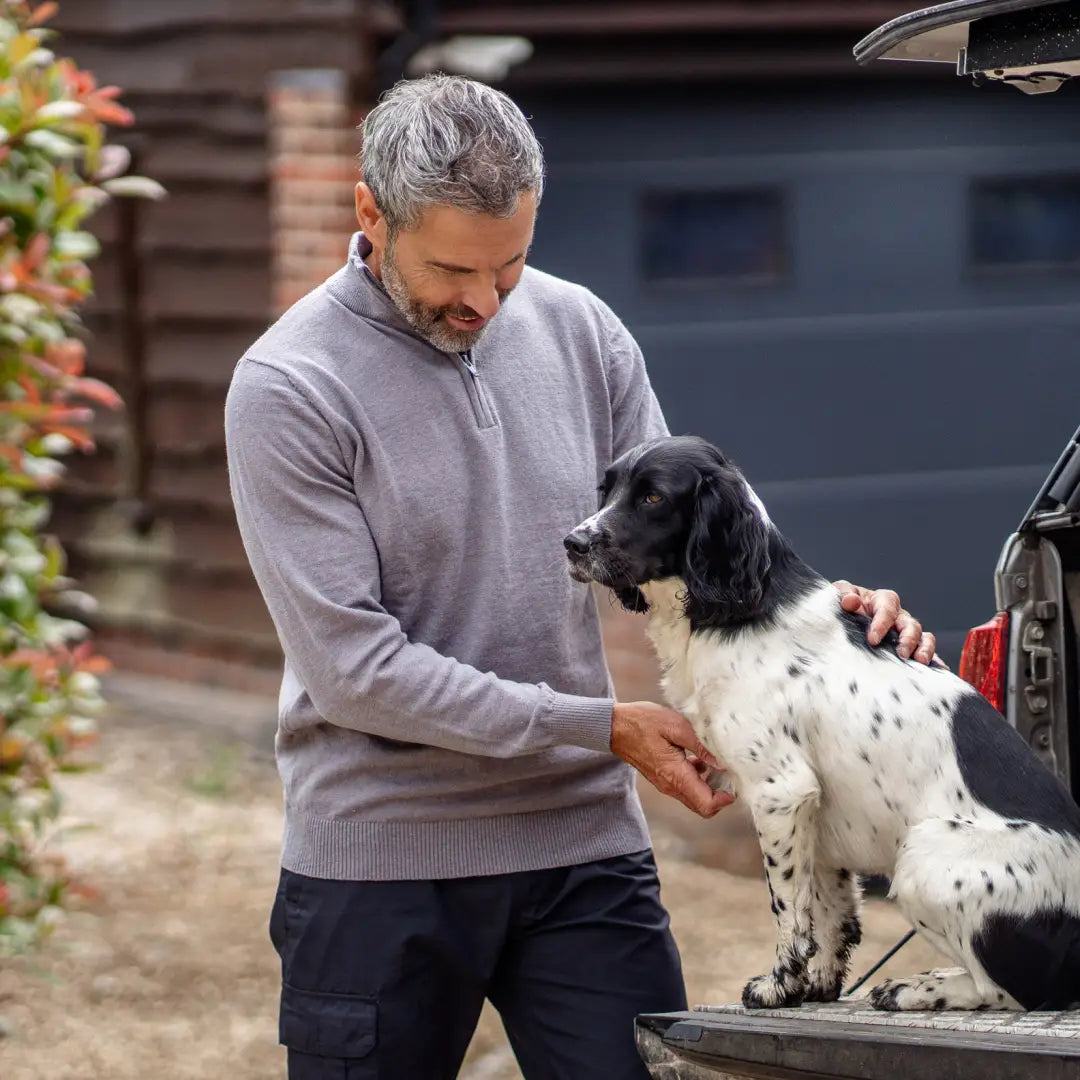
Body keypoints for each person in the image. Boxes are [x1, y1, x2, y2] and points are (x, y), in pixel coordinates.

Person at [224, 74, 937, 1080]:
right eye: (452, 271)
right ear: (369, 214)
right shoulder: (290, 387)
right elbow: (354, 670)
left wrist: (834, 620)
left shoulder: (581, 330)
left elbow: (690, 540)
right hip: (381, 869)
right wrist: (601, 728)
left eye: (508, 267)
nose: (482, 301)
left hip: (581, 855)